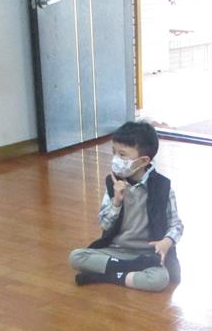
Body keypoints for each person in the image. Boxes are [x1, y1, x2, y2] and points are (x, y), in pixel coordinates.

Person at [68, 121, 184, 291]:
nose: (116, 159)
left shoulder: (162, 187)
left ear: (143, 161)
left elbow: (177, 225)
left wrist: (166, 242)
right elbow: (104, 224)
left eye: (122, 155)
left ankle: (106, 275)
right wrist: (116, 202)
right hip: (117, 251)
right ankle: (128, 270)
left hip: (147, 254)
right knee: (76, 257)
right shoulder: (113, 184)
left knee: (159, 279)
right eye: (114, 152)